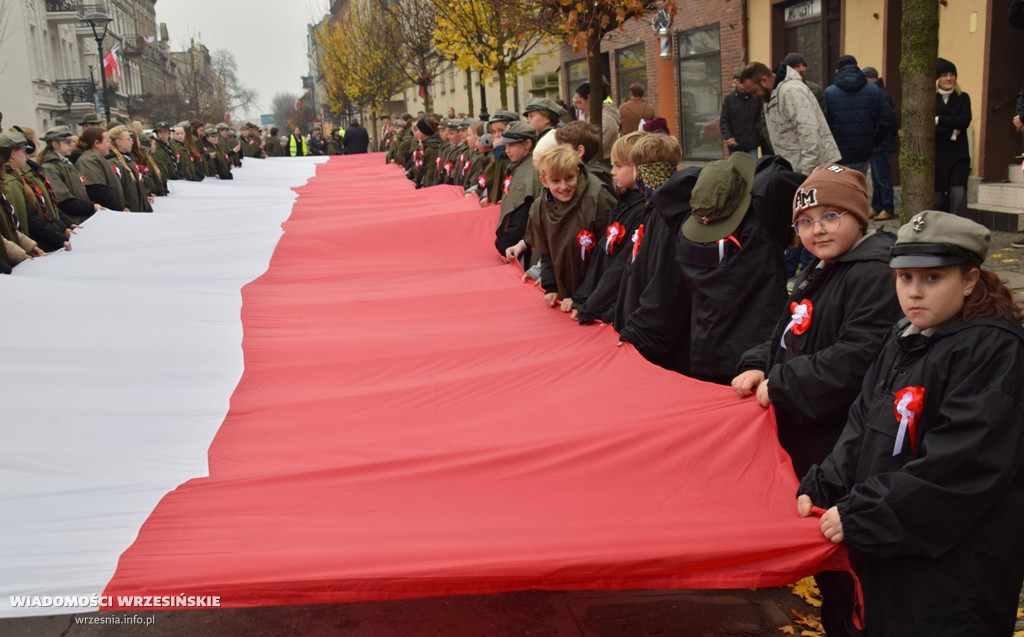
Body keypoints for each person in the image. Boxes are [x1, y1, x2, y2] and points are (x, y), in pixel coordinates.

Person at [797, 210, 1024, 636]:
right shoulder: (906, 336)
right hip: (891, 550)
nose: (915, 293)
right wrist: (822, 485)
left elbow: (962, 464)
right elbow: (863, 423)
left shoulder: (992, 351)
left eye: (933, 279)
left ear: (970, 280)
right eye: (905, 279)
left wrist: (868, 513)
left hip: (952, 573)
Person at [733, 164, 901, 477]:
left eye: (831, 216)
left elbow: (858, 357)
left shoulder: (874, 273)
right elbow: (788, 332)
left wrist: (784, 383)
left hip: (837, 439)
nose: (817, 229)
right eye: (805, 222)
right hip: (806, 426)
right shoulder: (823, 266)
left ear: (859, 217)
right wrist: (757, 363)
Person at [675, 152, 804, 385]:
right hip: (755, 355)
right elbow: (778, 177)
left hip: (705, 351)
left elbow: (674, 186)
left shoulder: (685, 234)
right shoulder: (757, 229)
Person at [612, 133, 693, 374]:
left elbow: (662, 284)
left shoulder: (664, 216)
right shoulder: (656, 208)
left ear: (639, 171)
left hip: (656, 344)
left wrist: (636, 334)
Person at [504, 143, 615, 308]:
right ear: (544, 180)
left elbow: (607, 257)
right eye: (556, 181)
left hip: (595, 293)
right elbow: (546, 251)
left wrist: (582, 297)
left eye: (569, 178)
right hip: (566, 292)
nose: (564, 187)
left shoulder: (597, 198)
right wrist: (551, 285)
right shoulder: (539, 207)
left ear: (577, 173)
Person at [570, 130, 648, 324]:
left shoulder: (641, 211)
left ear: (639, 168)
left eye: (619, 166)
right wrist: (582, 298)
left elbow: (621, 266)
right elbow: (602, 256)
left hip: (616, 311)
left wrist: (590, 308)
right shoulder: (624, 202)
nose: (612, 171)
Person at [741, 61, 840, 175]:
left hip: (812, 173)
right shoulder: (770, 95)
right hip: (794, 170)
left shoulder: (790, 91)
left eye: (754, 91)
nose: (754, 96)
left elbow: (810, 134)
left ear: (764, 80)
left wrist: (805, 176)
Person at [823, 55, 895, 174]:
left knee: (841, 186)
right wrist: (874, 140)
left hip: (838, 152)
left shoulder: (829, 93)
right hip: (863, 151)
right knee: (859, 184)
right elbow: (887, 118)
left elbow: (824, 123)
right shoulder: (874, 90)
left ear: (837, 71)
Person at [1, 130, 70, 252]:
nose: (27, 155)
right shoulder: (10, 183)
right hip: (33, 245)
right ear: (12, 154)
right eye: (24, 151)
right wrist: (59, 240)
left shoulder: (17, 178)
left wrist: (62, 229)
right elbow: (28, 219)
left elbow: (42, 209)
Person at [493, 121, 541, 266]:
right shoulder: (519, 165)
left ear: (527, 144)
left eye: (512, 145)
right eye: (506, 146)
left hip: (519, 249)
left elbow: (522, 216)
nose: (507, 150)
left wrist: (505, 245)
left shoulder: (529, 171)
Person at [933, 58, 971, 217]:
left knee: (958, 194)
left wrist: (938, 120)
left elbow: (964, 120)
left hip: (958, 155)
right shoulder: (930, 99)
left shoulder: (963, 97)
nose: (948, 78)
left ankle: (958, 227)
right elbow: (928, 129)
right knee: (938, 197)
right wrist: (952, 132)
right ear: (937, 79)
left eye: (952, 74)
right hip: (937, 155)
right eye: (944, 75)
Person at [39, 126, 101, 223]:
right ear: (55, 144)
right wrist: (91, 207)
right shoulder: (49, 168)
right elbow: (63, 202)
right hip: (72, 221)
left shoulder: (66, 163)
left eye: (71, 141)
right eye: (67, 142)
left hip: (81, 219)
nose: (71, 145)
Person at [862, 68, 899, 221]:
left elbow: (887, 119)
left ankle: (887, 207)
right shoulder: (877, 92)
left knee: (882, 176)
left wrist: (876, 135)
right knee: (876, 177)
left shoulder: (880, 94)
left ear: (870, 79)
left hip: (880, 142)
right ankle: (877, 206)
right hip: (877, 142)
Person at [553, 120, 614, 196]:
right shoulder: (600, 176)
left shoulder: (587, 185)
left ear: (579, 151)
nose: (557, 153)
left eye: (562, 149)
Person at [75, 127, 125, 211]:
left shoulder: (97, 158)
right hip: (106, 212)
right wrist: (118, 208)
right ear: (97, 143)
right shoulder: (88, 160)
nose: (110, 145)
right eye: (107, 141)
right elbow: (97, 190)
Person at [108, 125, 153, 212]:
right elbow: (116, 189)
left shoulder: (129, 160)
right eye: (128, 139)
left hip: (139, 206)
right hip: (130, 209)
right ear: (118, 142)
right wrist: (123, 205)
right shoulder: (113, 162)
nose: (132, 142)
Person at [719, 70, 762, 158]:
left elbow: (760, 118)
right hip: (735, 143)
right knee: (735, 169)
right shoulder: (729, 100)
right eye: (740, 80)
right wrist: (728, 137)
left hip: (752, 143)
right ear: (735, 82)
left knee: (753, 168)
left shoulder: (756, 98)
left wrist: (757, 133)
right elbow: (724, 121)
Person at [573, 82, 620, 160]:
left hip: (602, 164)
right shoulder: (586, 115)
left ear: (589, 98)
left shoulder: (605, 119)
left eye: (579, 102)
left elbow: (593, 147)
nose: (578, 107)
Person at [781, 52, 828, 117]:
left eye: (803, 65)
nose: (802, 69)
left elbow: (823, 117)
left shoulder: (816, 90)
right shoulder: (779, 90)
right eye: (797, 66)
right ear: (788, 69)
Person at [412, 114, 441, 188]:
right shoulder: (427, 145)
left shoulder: (432, 148)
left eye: (418, 130)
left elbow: (430, 172)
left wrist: (426, 187)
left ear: (424, 131)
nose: (416, 133)